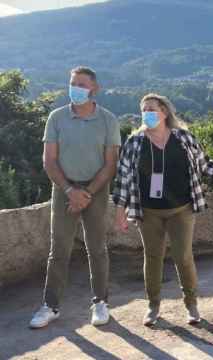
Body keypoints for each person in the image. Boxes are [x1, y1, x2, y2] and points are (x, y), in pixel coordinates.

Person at [112, 94, 213, 326]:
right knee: (153, 257)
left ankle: (191, 304)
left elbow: (206, 164)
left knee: (183, 256)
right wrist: (120, 211)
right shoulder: (134, 142)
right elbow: (123, 179)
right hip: (148, 211)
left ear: (165, 112)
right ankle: (153, 306)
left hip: (181, 209)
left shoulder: (184, 138)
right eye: (143, 110)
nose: (147, 114)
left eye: (152, 109)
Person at [30, 66, 121, 329]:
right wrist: (70, 191)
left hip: (97, 189)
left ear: (94, 89)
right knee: (58, 249)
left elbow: (110, 165)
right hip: (63, 190)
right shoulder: (56, 118)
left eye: (81, 84)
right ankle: (50, 305)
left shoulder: (108, 120)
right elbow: (49, 161)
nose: (75, 88)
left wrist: (88, 193)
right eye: (72, 83)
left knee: (97, 248)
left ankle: (100, 302)